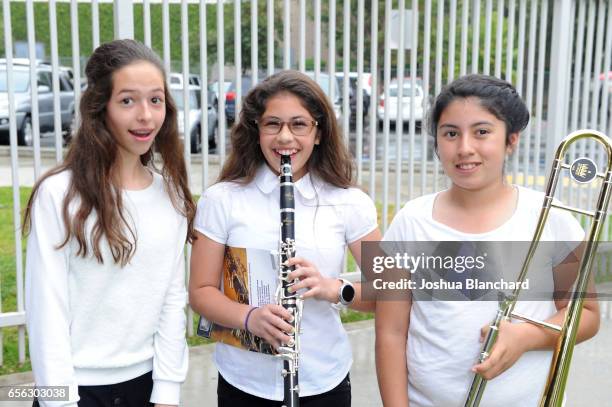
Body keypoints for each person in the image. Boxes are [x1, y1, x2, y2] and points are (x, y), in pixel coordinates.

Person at [375, 74, 600, 407]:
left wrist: (527, 336)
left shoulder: (553, 218)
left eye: (482, 132)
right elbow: (390, 334)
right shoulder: (411, 221)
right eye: (450, 133)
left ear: (511, 140)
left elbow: (588, 315)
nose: (465, 148)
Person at [189, 70, 381, 406]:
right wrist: (251, 318)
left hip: (323, 380)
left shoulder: (349, 202)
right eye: (273, 124)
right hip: (243, 382)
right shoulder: (222, 199)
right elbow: (201, 293)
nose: (285, 137)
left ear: (319, 133)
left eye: (299, 125)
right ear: (257, 131)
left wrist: (333, 289)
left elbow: (392, 291)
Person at [23, 39, 193, 407]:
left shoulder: (172, 197)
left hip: (146, 387)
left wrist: (167, 391)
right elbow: (46, 309)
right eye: (128, 100)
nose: (146, 116)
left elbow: (170, 300)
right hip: (74, 389)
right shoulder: (59, 195)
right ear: (100, 108)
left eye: (156, 99)